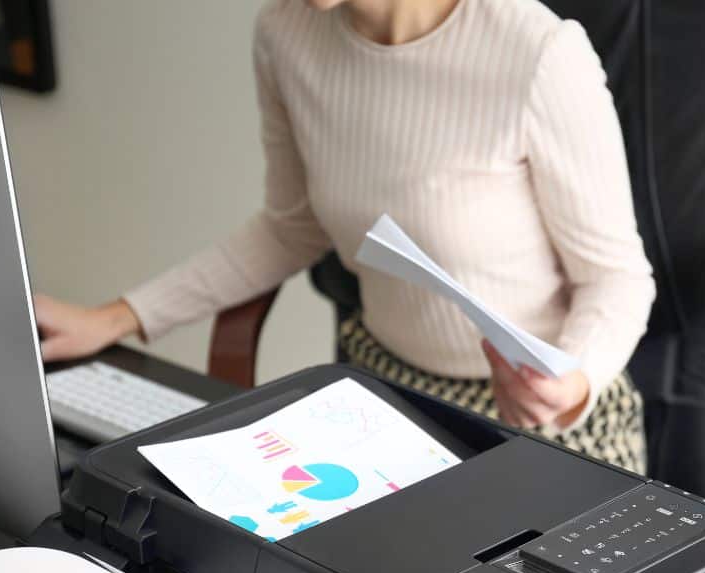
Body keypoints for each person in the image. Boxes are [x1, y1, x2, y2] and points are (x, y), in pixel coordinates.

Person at [35, 0, 656, 472]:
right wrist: (117, 318)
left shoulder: (537, 50)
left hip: (545, 422)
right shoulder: (286, 35)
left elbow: (617, 279)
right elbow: (292, 227)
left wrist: (569, 385)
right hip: (383, 394)